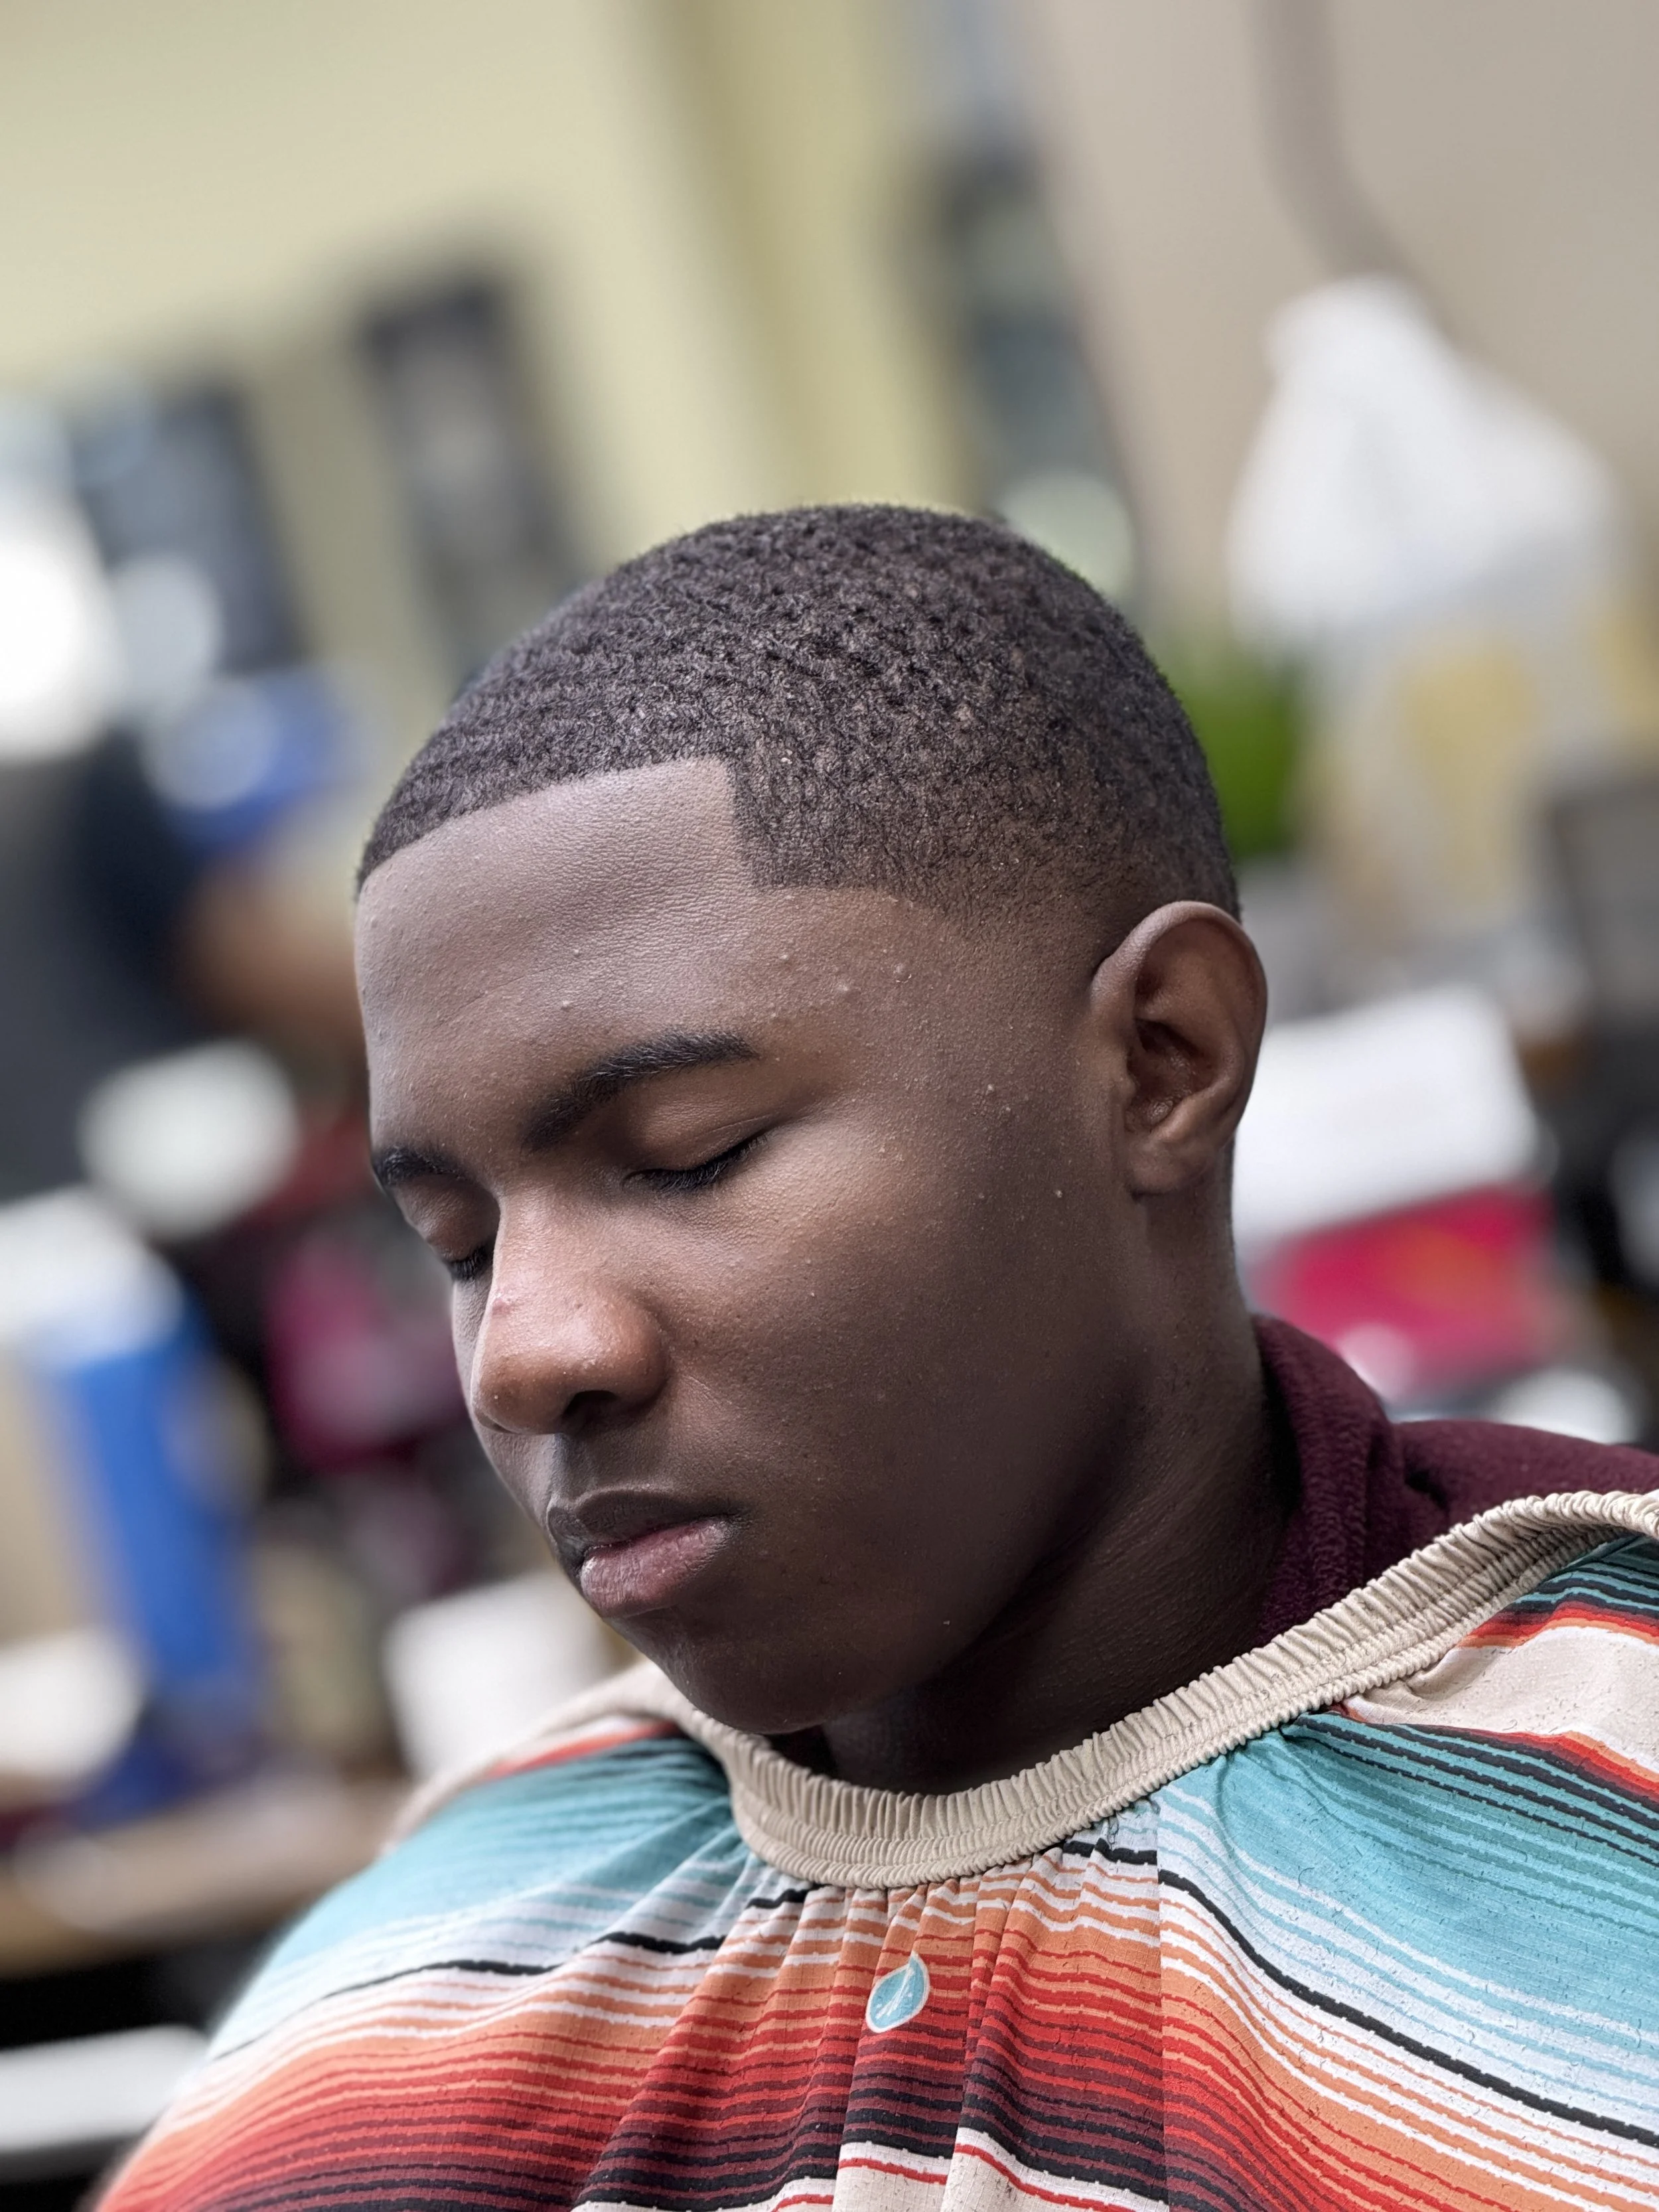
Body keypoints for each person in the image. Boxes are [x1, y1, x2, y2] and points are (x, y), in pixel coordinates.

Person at [104, 508, 1659, 2212]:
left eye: (687, 1152)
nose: (525, 1353)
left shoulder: (1608, 1804)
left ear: (1160, 1058)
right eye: (460, 1246)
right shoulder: (444, 1970)